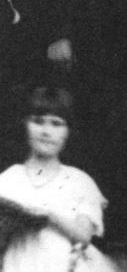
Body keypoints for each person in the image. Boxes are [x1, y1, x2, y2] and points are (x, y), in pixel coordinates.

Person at [0, 86, 116, 272]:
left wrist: (48, 218)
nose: (46, 131)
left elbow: (84, 236)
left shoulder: (79, 181)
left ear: (67, 131)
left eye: (56, 124)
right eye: (38, 122)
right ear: (25, 124)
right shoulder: (8, 179)